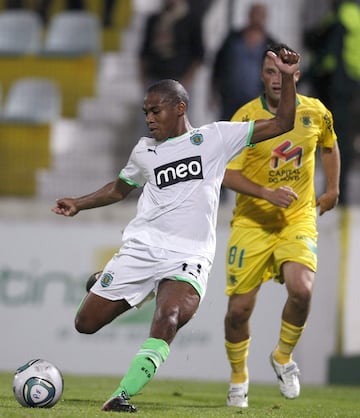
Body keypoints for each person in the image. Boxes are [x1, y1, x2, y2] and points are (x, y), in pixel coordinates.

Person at [51, 47, 300, 413]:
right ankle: (133, 283)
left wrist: (290, 78)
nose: (149, 118)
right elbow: (121, 189)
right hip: (143, 247)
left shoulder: (216, 138)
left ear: (180, 108)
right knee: (84, 324)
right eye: (146, 113)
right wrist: (78, 202)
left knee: (169, 318)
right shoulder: (144, 151)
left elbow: (282, 124)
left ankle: (121, 396)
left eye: (156, 111)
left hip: (189, 255)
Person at [222, 43, 340, 408]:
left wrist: (332, 188)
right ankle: (239, 377)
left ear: (296, 76)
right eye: (270, 72)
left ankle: (283, 357)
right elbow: (224, 173)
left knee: (302, 290)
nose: (276, 79)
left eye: (283, 73)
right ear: (261, 75)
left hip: (297, 217)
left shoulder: (316, 112)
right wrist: (265, 193)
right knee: (238, 311)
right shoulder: (244, 118)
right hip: (252, 222)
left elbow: (330, 147)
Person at [303, 0, 360, 204]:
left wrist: (305, 76)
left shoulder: (343, 16)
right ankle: (338, 191)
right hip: (352, 85)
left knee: (336, 141)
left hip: (341, 88)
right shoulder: (351, 14)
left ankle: (336, 191)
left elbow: (329, 53)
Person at [211, 3, 276, 121]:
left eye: (260, 15)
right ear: (249, 15)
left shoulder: (271, 45)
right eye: (254, 14)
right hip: (230, 97)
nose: (257, 18)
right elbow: (218, 64)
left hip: (255, 99)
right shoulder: (233, 39)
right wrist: (213, 91)